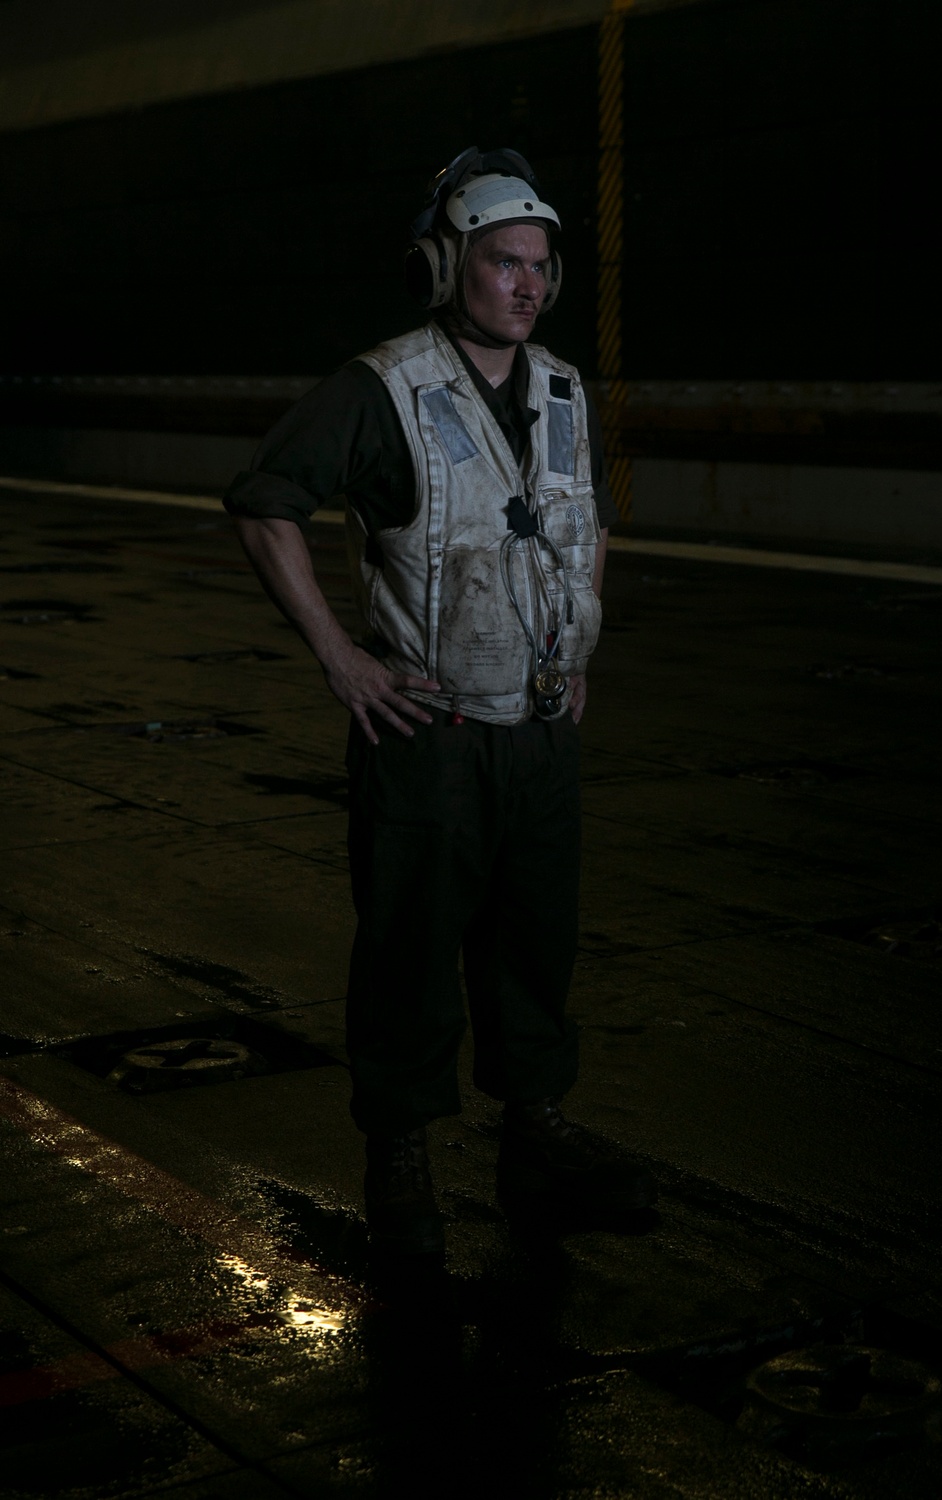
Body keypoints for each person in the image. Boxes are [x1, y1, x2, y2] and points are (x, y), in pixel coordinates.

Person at [224, 147, 656, 1255]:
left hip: (539, 731)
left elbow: (590, 520)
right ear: (445, 267)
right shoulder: (383, 389)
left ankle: (534, 1135)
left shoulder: (562, 390)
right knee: (409, 955)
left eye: (540, 266)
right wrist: (341, 659)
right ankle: (400, 1156)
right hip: (428, 733)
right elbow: (267, 503)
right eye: (504, 261)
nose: (526, 284)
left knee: (534, 948)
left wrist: (580, 646)